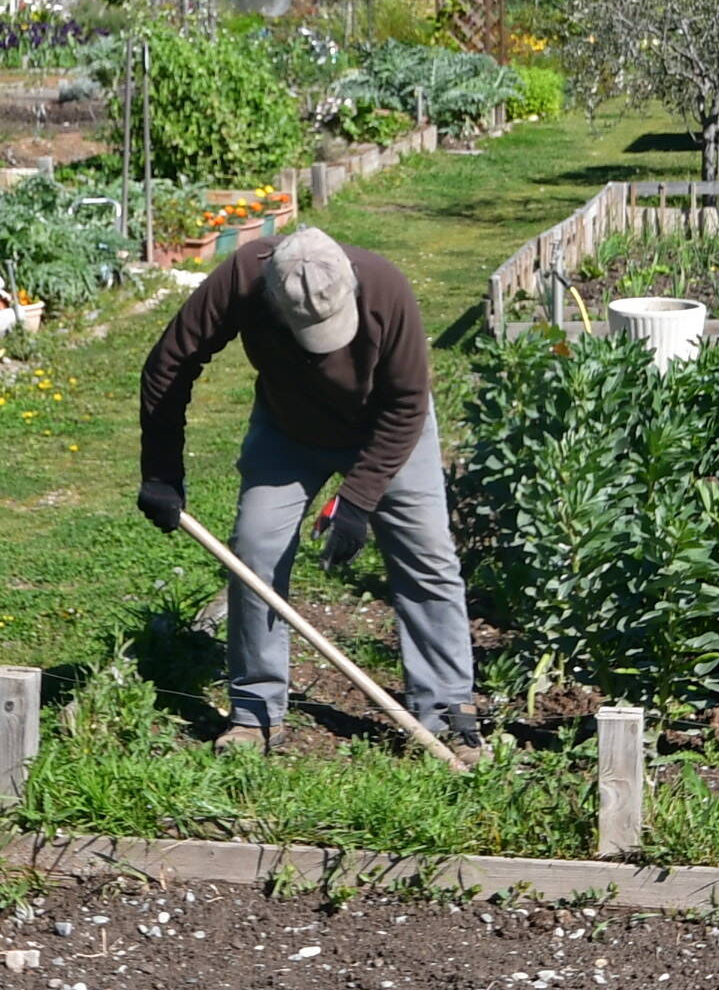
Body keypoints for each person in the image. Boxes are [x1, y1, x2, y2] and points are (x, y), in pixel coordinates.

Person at [135, 223, 479, 752]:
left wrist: (359, 499)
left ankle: (446, 708)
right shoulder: (243, 279)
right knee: (255, 550)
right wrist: (161, 471)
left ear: (351, 286)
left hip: (386, 427)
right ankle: (255, 713)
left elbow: (408, 404)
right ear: (272, 299)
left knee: (426, 553)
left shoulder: (387, 288)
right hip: (289, 429)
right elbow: (169, 364)